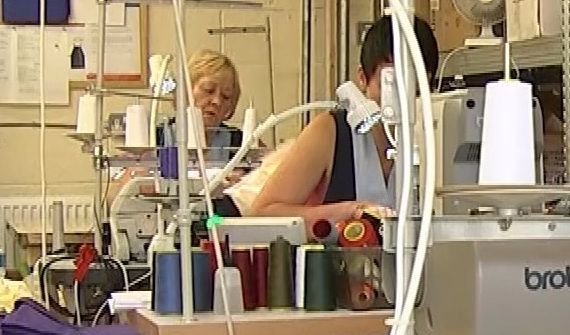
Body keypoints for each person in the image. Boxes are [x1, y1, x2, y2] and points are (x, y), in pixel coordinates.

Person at [223, 15, 439, 230]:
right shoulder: (330, 132)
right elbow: (264, 213)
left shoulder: (436, 136)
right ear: (363, 78)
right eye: (391, 86)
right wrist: (348, 212)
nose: (402, 99)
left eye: (416, 87)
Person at [159, 49, 244, 162]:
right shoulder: (158, 139)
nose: (217, 101)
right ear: (185, 91)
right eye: (209, 90)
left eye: (226, 96)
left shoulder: (241, 143)